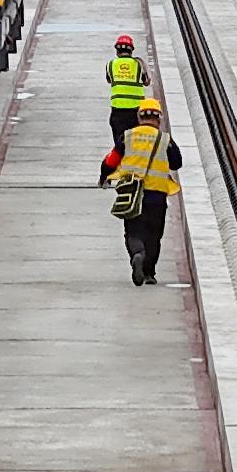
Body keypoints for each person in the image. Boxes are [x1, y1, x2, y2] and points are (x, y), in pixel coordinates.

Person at [97, 96, 182, 286]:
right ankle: (149, 273)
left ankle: (137, 253)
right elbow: (177, 162)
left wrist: (104, 177)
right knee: (154, 234)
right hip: (157, 195)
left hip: (132, 193)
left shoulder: (128, 136)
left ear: (139, 116)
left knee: (133, 231)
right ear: (158, 119)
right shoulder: (164, 140)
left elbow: (111, 160)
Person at [104, 36, 150, 143]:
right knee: (136, 144)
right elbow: (146, 81)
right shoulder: (139, 64)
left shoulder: (110, 64)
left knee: (120, 146)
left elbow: (109, 80)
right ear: (131, 50)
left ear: (117, 51)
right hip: (136, 112)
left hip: (117, 111)